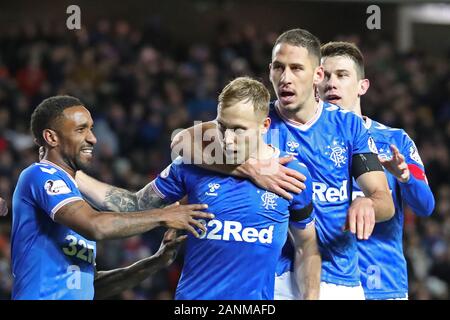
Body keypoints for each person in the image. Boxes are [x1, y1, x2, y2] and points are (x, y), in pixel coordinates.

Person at [171, 28, 395, 300]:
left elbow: (385, 201)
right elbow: (182, 142)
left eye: (296, 68)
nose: (285, 78)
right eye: (279, 67)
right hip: (276, 277)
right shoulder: (258, 120)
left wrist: (368, 203)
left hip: (340, 278)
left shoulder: (348, 126)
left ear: (318, 75)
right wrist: (247, 168)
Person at [75, 77, 321, 300]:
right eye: (222, 127)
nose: (227, 139)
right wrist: (72, 175)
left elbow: (306, 244)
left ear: (264, 125)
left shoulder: (292, 175)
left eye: (238, 130)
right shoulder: (192, 165)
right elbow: (136, 204)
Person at [11, 95, 213, 300]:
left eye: (91, 128)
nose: (93, 138)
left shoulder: (77, 197)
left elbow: (92, 286)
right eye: (81, 129)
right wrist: (163, 216)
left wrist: (155, 262)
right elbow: (95, 226)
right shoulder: (39, 174)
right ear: (51, 137)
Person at [317, 41, 435, 300]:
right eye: (324, 75)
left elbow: (426, 206)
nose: (331, 83)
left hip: (380, 284)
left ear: (362, 86)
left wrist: (405, 178)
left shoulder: (395, 141)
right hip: (321, 282)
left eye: (342, 75)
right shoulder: (304, 141)